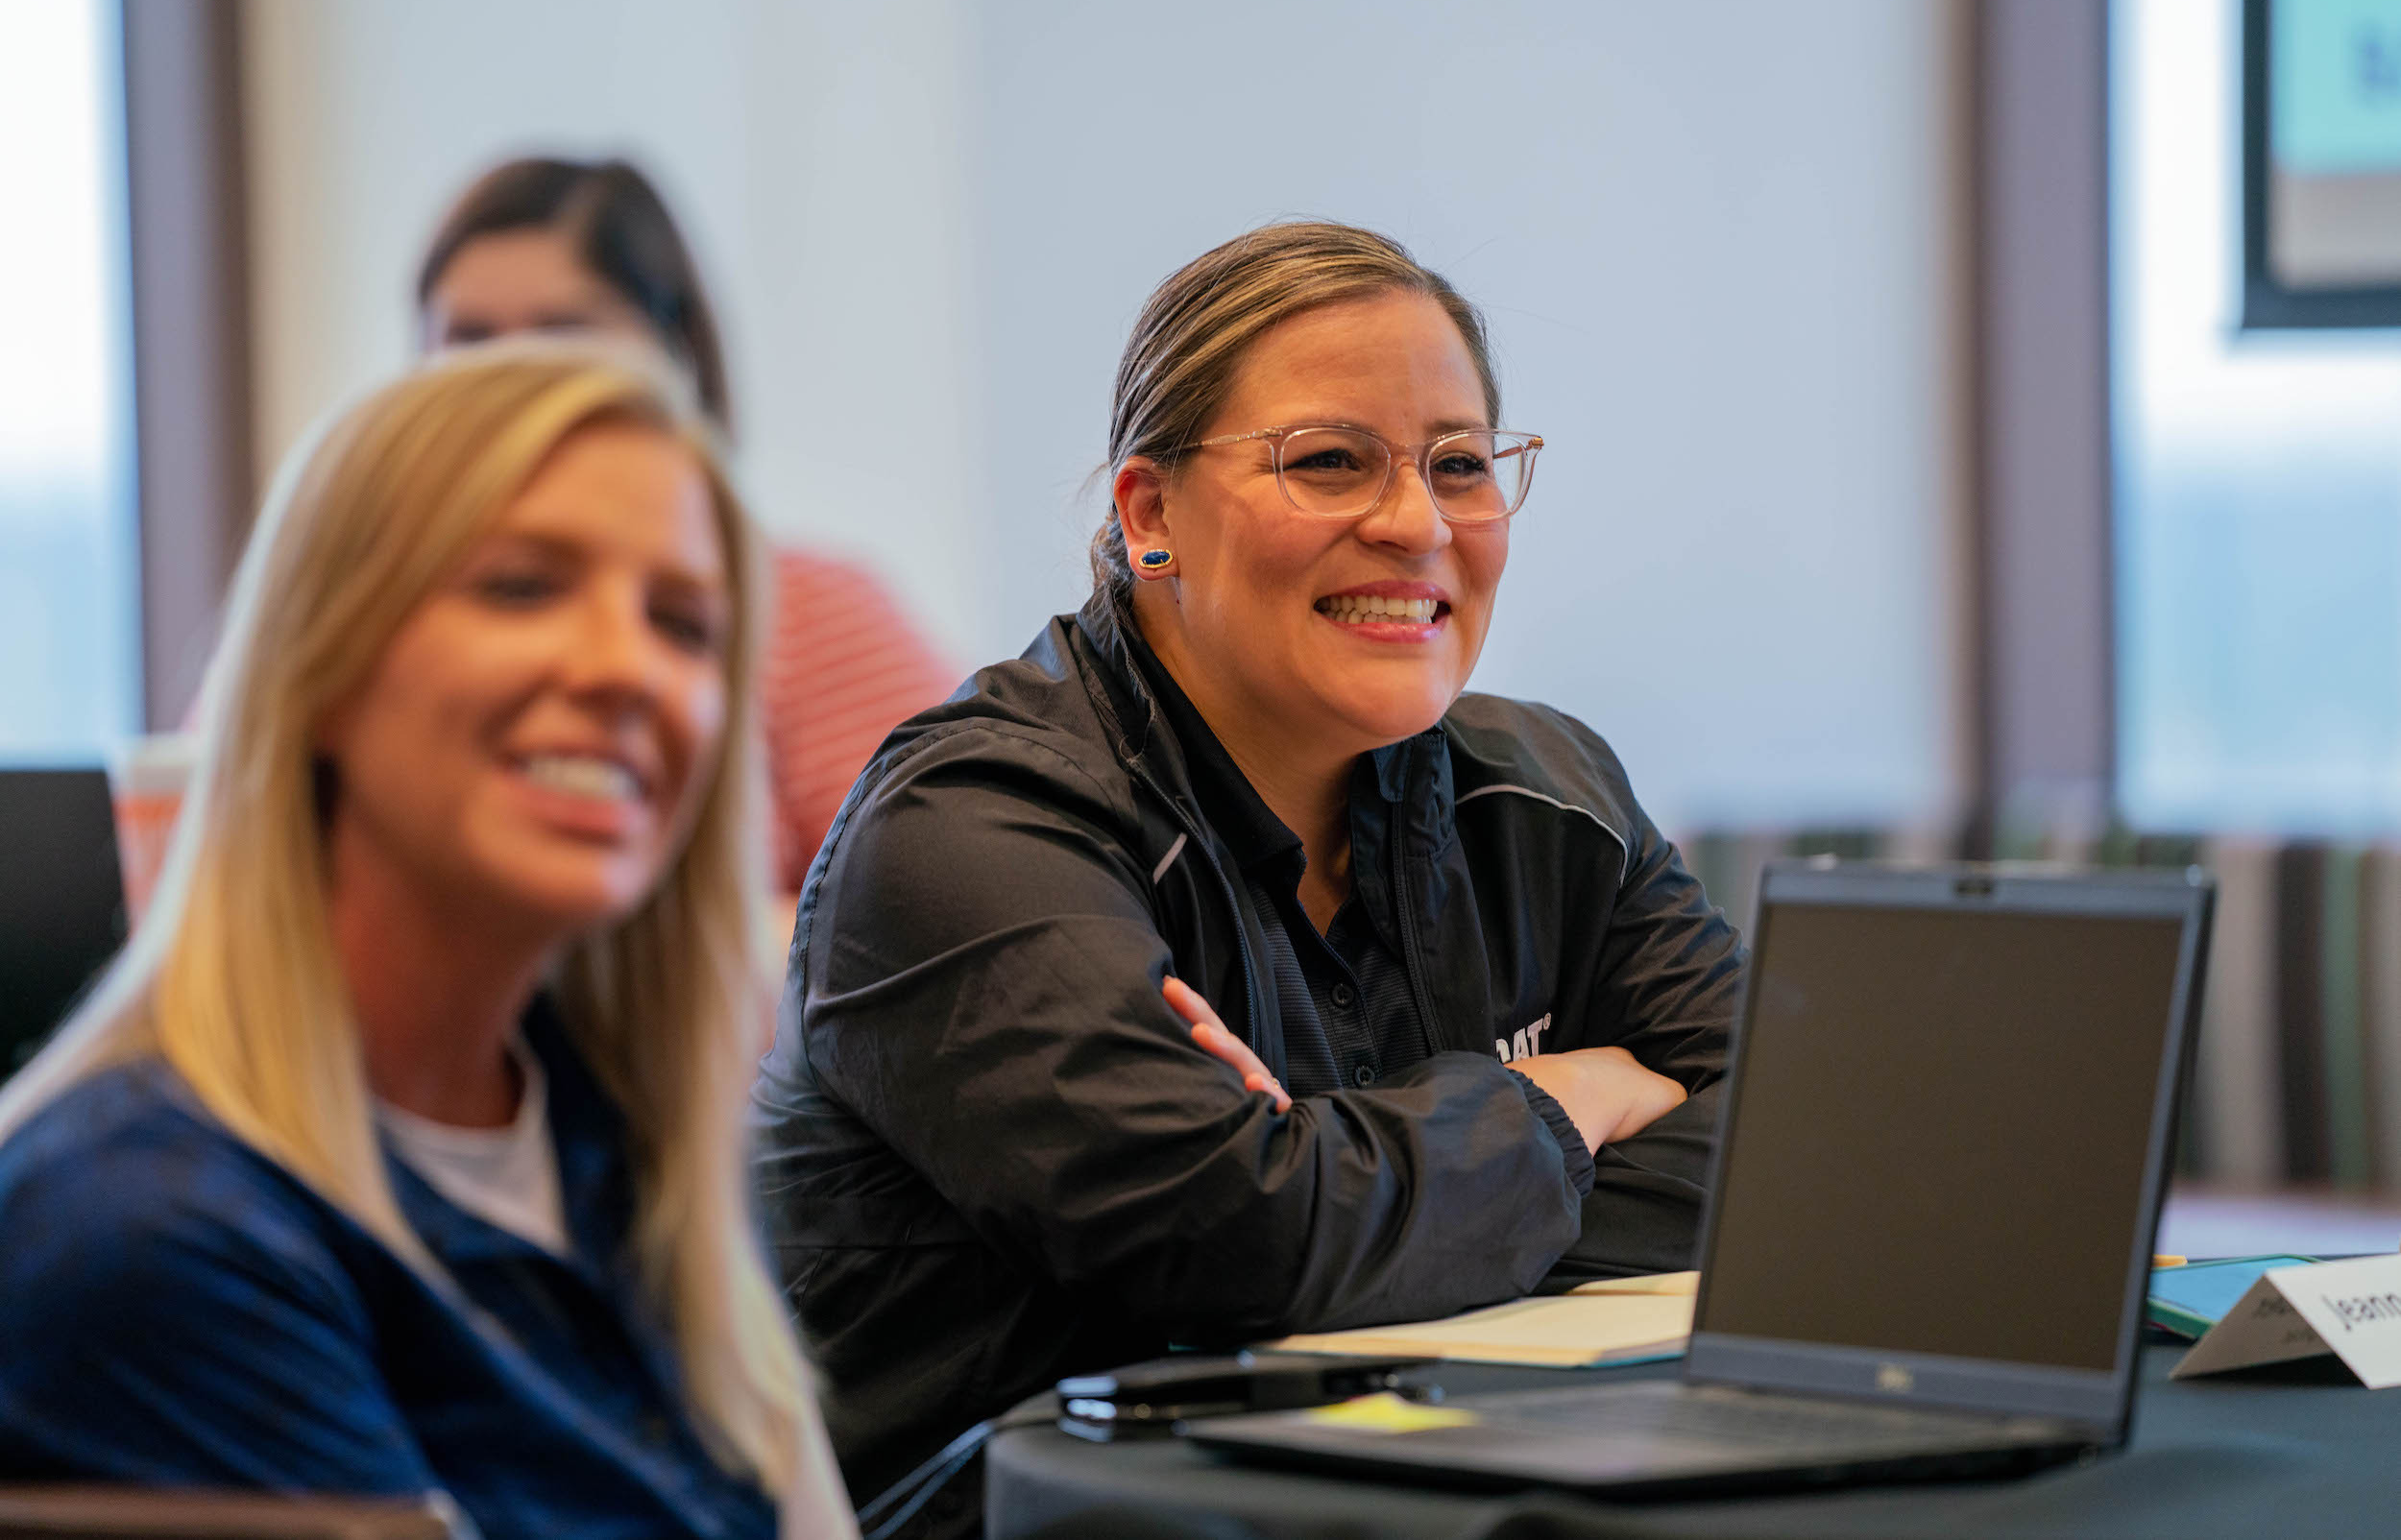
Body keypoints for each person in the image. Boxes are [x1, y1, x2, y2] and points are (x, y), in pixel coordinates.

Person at [750, 222, 1744, 1529]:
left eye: (1458, 464)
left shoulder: (1554, 796)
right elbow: (1237, 1241)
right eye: (1330, 461)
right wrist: (1568, 1099)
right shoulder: (972, 828)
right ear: (1149, 513)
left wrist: (1338, 1189)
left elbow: (1790, 1168)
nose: (1415, 523)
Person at [0, 347, 855, 1539]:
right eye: (520, 587)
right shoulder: (146, 1231)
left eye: (682, 624)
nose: (623, 668)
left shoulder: (610, 1135)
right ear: (327, 665)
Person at [416, 156, 957, 890]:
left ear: (680, 360)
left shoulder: (812, 614)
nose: (517, 387)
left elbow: (950, 910)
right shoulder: (371, 593)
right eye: (470, 345)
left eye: (564, 339)